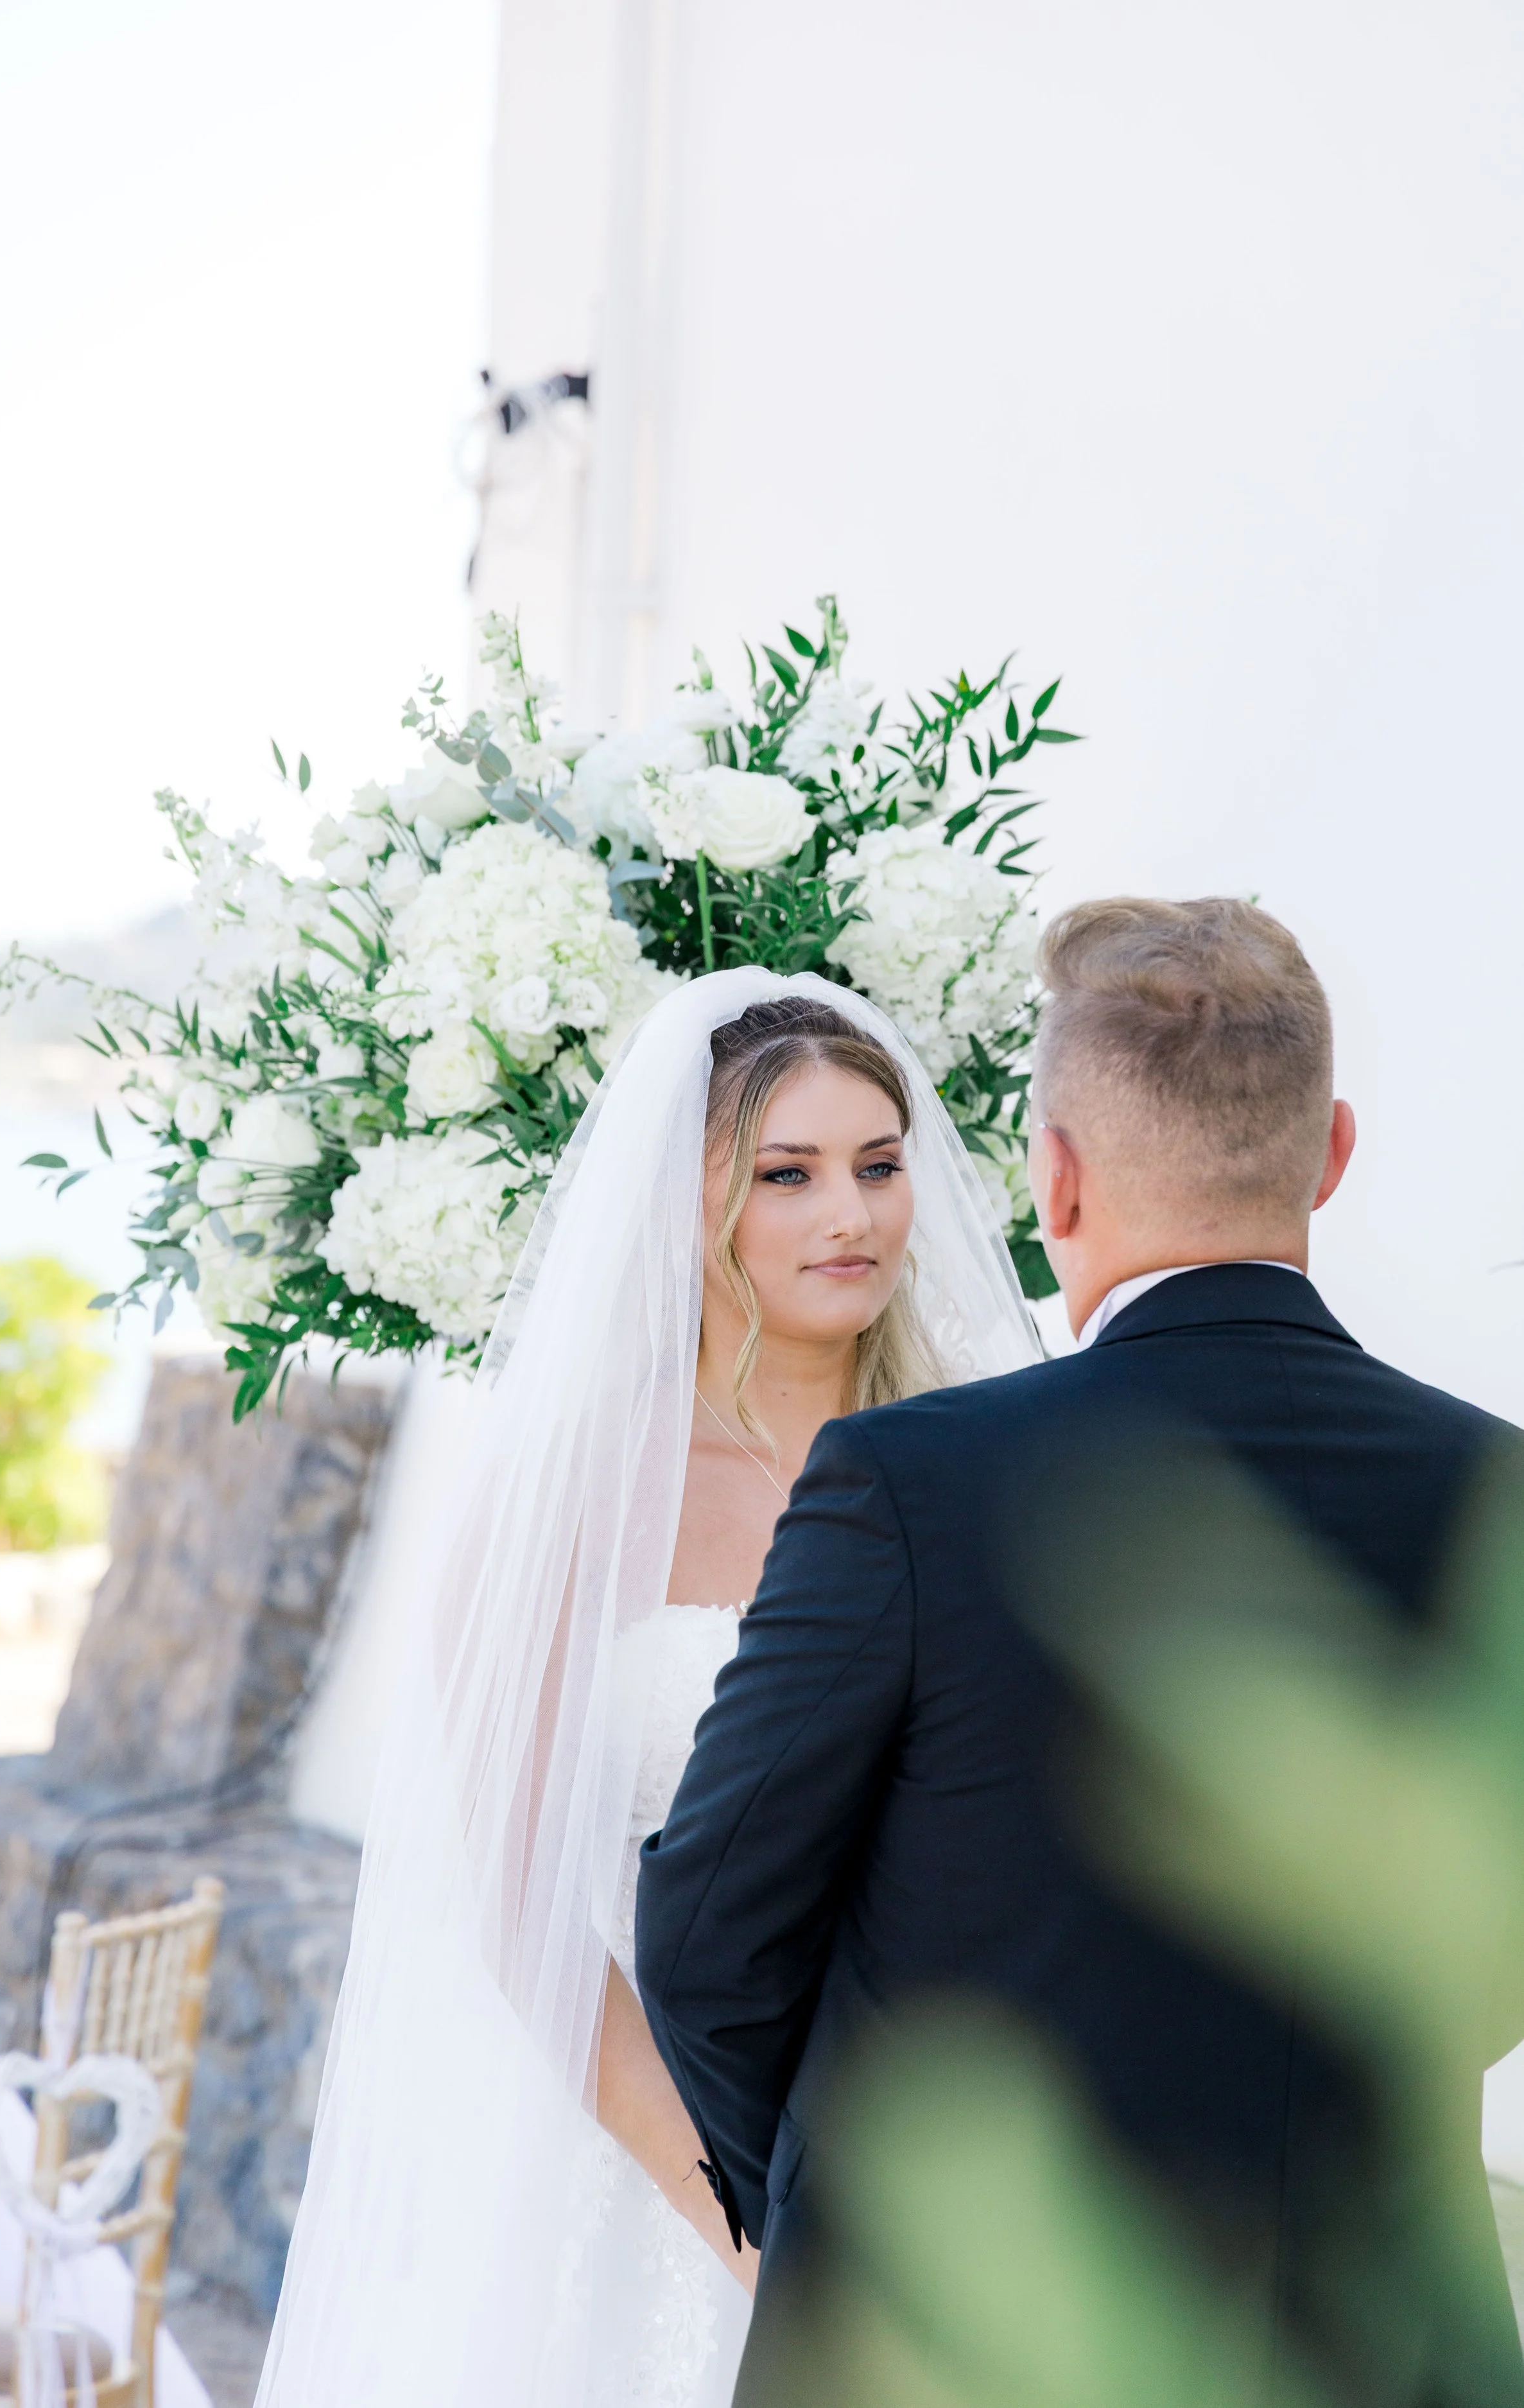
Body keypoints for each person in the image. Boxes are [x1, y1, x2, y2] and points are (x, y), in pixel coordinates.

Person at [637, 898, 1524, 2407]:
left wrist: (846, 2203)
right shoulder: (1500, 1496)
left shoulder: (903, 1481)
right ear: (1329, 1152)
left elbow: (707, 1932)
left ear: (1051, 1176)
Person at [252, 970, 1039, 2408]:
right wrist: (746, 2227)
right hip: (647, 2152)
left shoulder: (987, 1453)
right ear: (680, 1202)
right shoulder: (574, 1496)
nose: (850, 1215)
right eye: (785, 1176)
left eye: (877, 1166)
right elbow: (520, 1913)